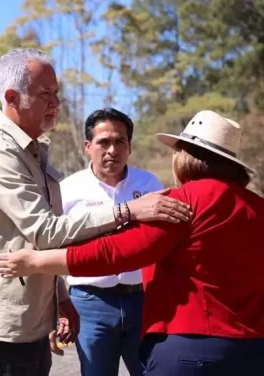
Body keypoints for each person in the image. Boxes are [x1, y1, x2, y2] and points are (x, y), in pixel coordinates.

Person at [0, 110, 264, 376]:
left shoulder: (180, 203)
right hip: (259, 354)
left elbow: (116, 252)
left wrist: (36, 262)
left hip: (190, 352)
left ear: (186, 157)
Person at [0, 47, 192, 376]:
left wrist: (61, 300)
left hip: (35, 315)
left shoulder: (31, 150)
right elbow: (46, 232)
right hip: (7, 322)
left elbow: (39, 244)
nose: (56, 103)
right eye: (45, 94)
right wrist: (127, 211)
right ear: (12, 97)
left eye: (57, 93)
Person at [59, 107, 164, 376]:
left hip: (142, 301)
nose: (112, 150)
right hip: (88, 303)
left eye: (120, 141)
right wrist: (56, 308)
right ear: (87, 146)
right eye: (103, 142)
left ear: (129, 146)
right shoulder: (68, 190)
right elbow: (50, 247)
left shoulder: (150, 185)